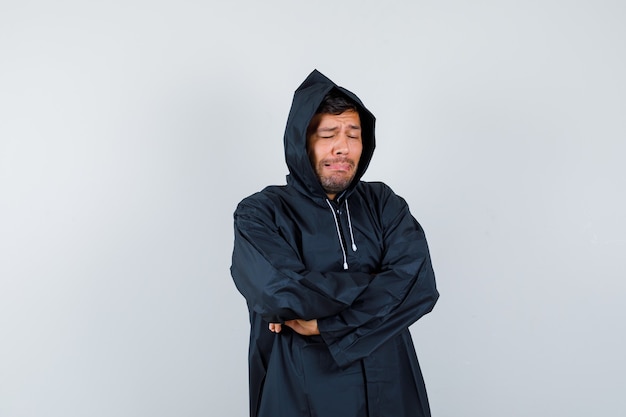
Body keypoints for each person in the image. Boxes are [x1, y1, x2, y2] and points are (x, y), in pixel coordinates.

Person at [230, 69, 439, 417]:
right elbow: (279, 292)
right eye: (328, 134)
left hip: (391, 386)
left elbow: (420, 287)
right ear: (302, 142)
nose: (342, 147)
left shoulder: (383, 203)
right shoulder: (261, 212)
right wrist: (379, 284)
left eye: (353, 135)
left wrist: (325, 324)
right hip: (300, 389)